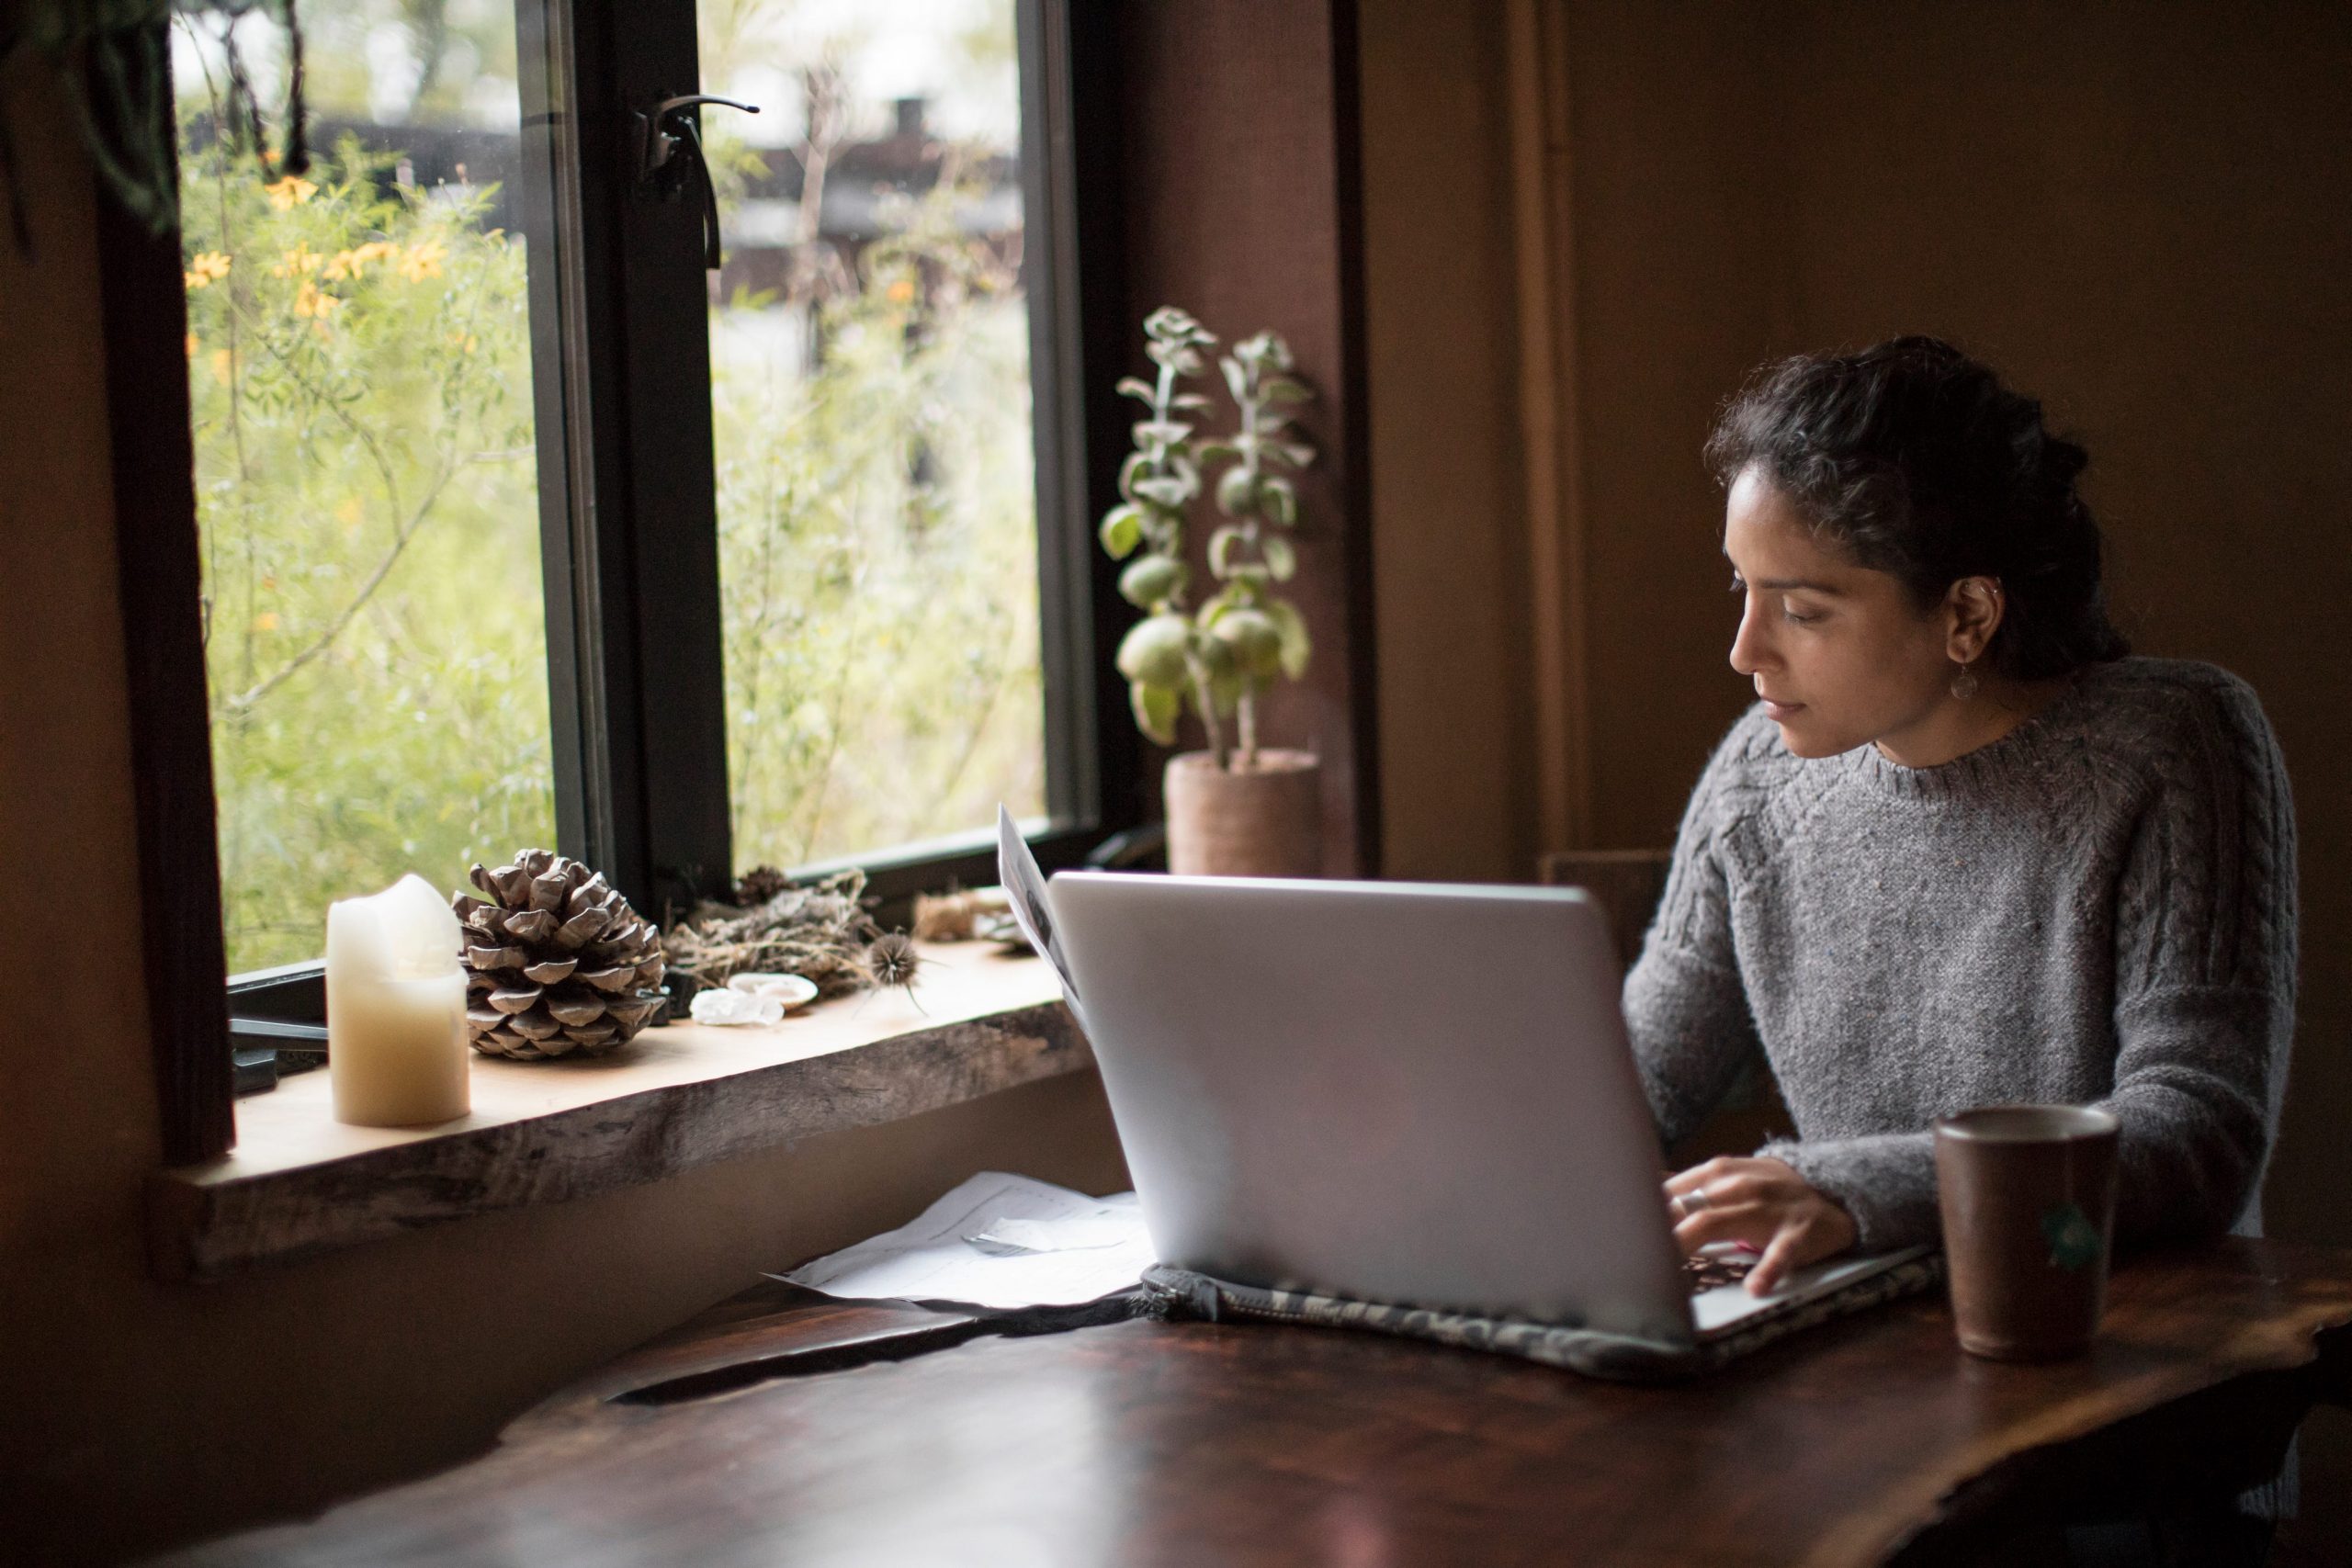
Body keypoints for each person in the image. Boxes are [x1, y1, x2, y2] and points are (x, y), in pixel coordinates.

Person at [1624, 336, 2298, 1301]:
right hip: (1856, 1365)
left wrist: (1848, 1188)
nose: (1744, 652)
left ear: (1968, 616)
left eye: (1802, 610)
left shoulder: (2172, 744)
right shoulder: (1755, 779)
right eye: (1743, 588)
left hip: (2119, 1363)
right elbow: (1636, 1086)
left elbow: (2197, 1132)